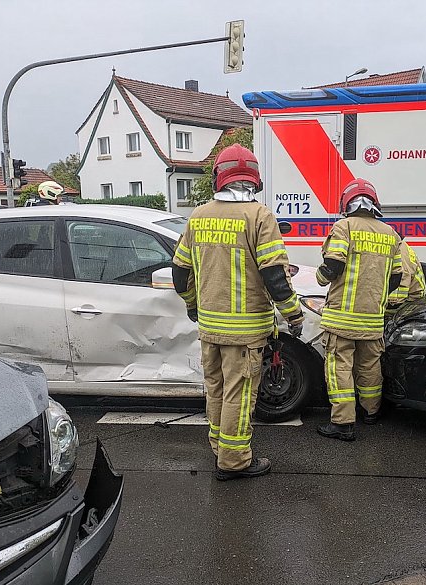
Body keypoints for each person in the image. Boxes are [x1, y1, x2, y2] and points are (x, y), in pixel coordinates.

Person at [172, 143, 304, 481]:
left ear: (220, 177)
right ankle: (234, 462)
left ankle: (219, 446)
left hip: (210, 327)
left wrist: (192, 305)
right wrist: (294, 314)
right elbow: (274, 274)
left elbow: (180, 271)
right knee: (239, 394)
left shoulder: (198, 215)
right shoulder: (259, 216)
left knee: (215, 387)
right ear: (254, 180)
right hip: (245, 332)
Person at [316, 178, 403, 441]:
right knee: (369, 366)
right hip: (372, 319)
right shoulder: (391, 234)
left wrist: (320, 278)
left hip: (342, 319)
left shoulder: (344, 227)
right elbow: (396, 277)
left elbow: (333, 264)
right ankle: (371, 412)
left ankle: (342, 423)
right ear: (374, 203)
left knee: (339, 367)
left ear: (347, 203)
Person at [387, 240, 426, 308]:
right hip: (415, 300)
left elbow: (396, 298)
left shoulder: (397, 250)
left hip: (401, 305)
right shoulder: (402, 246)